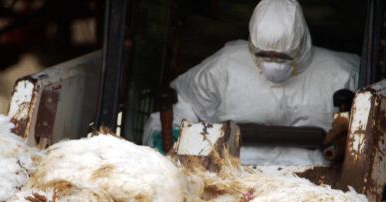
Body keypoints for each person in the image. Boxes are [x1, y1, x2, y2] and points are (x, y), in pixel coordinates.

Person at [142, 0, 359, 166]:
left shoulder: (341, 74)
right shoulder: (228, 66)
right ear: (252, 44)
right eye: (264, 55)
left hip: (315, 186)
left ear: (301, 44)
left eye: (283, 58)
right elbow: (182, 102)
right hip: (233, 177)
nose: (274, 65)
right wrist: (171, 134)